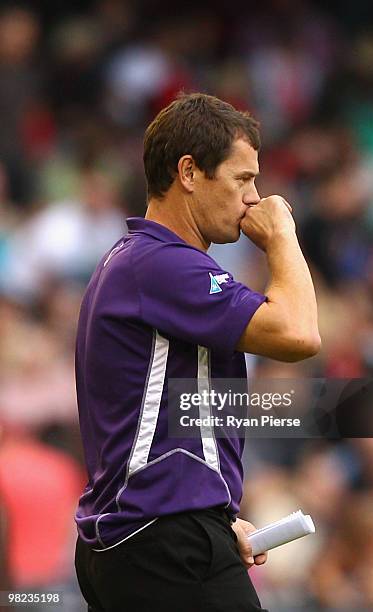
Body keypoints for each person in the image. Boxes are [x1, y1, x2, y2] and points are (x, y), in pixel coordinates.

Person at [74, 93, 321, 611]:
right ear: (189, 172)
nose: (255, 198)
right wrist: (283, 237)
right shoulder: (163, 264)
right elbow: (299, 334)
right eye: (242, 179)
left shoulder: (139, 263)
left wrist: (215, 512)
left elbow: (178, 410)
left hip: (148, 537)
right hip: (163, 544)